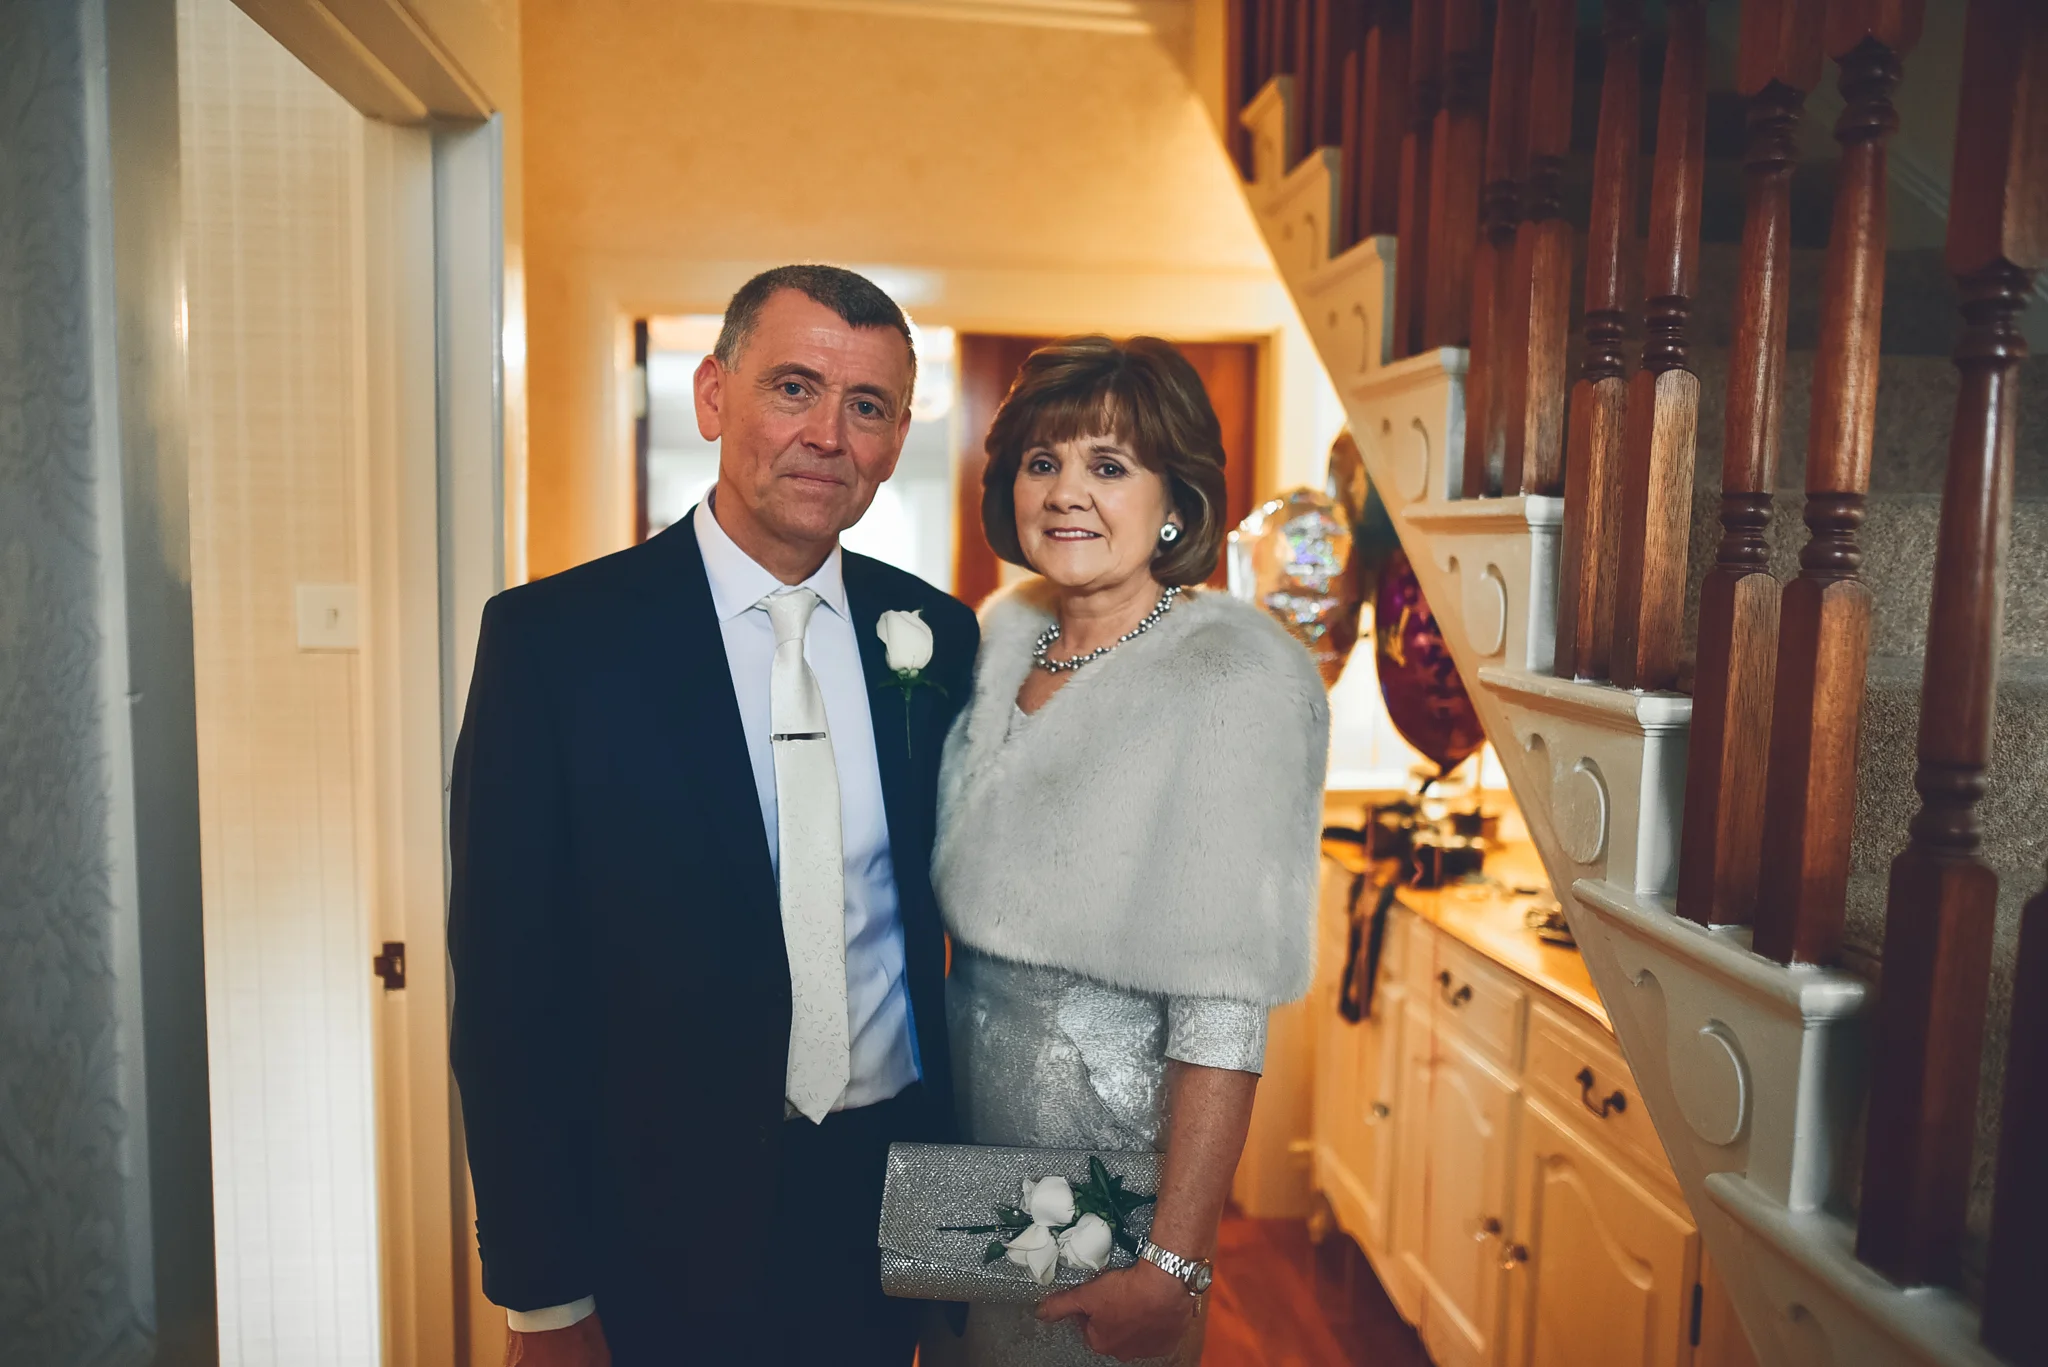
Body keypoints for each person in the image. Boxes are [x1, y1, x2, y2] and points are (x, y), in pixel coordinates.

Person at [448, 265, 978, 1367]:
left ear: (892, 442)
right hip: (652, 1217)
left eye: (868, 406)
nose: (829, 434)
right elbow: (508, 996)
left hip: (886, 1194)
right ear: (711, 397)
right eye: (794, 387)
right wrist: (541, 1298)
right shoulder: (554, 642)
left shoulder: (932, 634)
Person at [926, 336, 1328, 1365]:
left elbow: (1224, 1009)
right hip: (964, 1154)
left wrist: (1175, 1264)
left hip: (1103, 1188)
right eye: (1042, 460)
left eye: (1108, 465)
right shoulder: (1000, 637)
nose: (1068, 492)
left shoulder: (1231, 680)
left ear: (1173, 501)